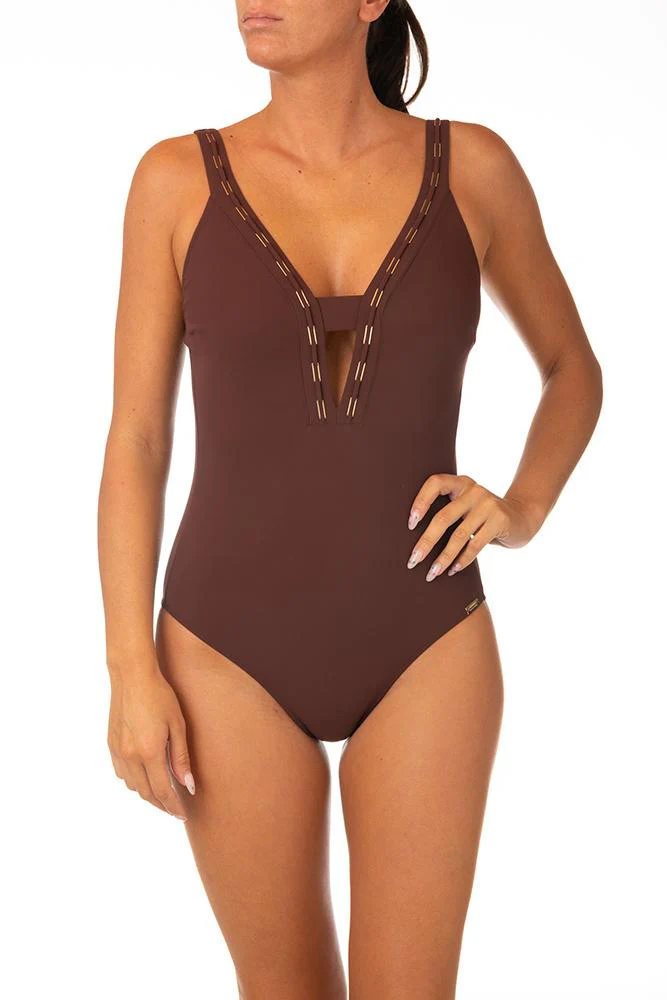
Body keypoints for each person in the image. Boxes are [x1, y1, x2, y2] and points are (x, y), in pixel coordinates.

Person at [97, 1, 603, 996]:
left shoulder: (472, 169)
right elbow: (138, 439)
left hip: (426, 640)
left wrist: (522, 507)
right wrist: (128, 670)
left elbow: (572, 371)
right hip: (222, 649)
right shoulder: (173, 180)